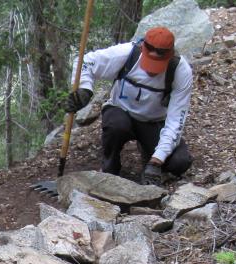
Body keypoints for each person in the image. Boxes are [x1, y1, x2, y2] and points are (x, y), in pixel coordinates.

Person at [65, 26, 193, 185]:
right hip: (121, 112)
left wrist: (157, 160)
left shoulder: (180, 71)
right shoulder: (127, 54)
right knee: (116, 126)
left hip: (153, 122)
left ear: (170, 55)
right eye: (149, 63)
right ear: (142, 49)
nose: (151, 71)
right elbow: (84, 61)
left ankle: (149, 154)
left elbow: (175, 121)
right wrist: (85, 89)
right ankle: (110, 167)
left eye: (157, 64)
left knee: (179, 162)